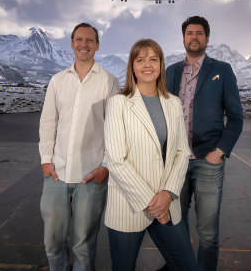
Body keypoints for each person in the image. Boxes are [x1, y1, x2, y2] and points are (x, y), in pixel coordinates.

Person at [104, 39, 197, 271]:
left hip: (167, 203)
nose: (148, 64)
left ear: (161, 64)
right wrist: (153, 204)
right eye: (141, 59)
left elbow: (181, 152)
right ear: (132, 66)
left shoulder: (173, 103)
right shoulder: (118, 103)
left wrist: (168, 194)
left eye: (153, 59)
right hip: (128, 206)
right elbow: (115, 160)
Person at [39, 22, 120, 271]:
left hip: (91, 175)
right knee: (52, 243)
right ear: (72, 43)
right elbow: (48, 121)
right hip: (56, 174)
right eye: (79, 40)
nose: (84, 45)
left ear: (97, 45)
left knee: (84, 246)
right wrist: (45, 159)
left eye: (89, 40)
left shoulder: (108, 81)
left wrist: (105, 166)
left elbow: (114, 129)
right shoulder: (57, 80)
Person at [166, 16, 244, 270]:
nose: (194, 37)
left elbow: (235, 117)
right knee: (177, 226)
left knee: (208, 232)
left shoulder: (221, 70)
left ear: (207, 39)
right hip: (175, 160)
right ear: (184, 38)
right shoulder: (171, 71)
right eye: (190, 33)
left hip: (207, 161)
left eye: (199, 33)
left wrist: (219, 152)